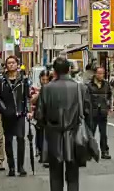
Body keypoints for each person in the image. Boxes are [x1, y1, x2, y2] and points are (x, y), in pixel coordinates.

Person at [35, 57, 90, 191]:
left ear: (54, 71)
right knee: (73, 176)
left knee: (55, 176)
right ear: (69, 69)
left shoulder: (47, 89)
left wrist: (45, 125)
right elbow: (87, 112)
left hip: (53, 135)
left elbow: (40, 115)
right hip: (74, 134)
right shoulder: (80, 88)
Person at [0, 56, 30, 177]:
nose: (11, 65)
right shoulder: (2, 80)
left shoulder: (23, 80)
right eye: (8, 63)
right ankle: (11, 167)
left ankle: (21, 166)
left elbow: (27, 97)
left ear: (17, 64)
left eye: (13, 63)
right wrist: (4, 109)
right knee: (8, 140)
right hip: (7, 115)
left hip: (20, 114)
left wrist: (28, 111)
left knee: (21, 139)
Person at [86, 66, 112, 159]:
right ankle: (89, 152)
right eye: (99, 73)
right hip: (93, 112)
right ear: (95, 74)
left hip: (103, 112)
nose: (101, 75)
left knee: (103, 134)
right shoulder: (90, 85)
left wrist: (108, 106)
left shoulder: (106, 84)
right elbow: (86, 99)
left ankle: (104, 151)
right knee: (91, 133)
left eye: (102, 73)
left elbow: (109, 95)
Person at [30, 71, 50, 166]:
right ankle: (41, 152)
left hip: (49, 115)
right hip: (39, 115)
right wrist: (40, 92)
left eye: (47, 80)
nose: (45, 81)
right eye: (43, 79)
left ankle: (47, 155)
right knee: (40, 135)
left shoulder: (52, 88)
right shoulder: (35, 88)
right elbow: (31, 100)